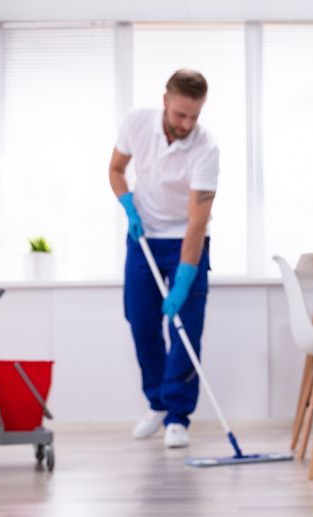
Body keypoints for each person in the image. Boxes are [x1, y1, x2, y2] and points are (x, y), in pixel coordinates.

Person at [109, 69, 219, 448]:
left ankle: (177, 416)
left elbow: (196, 222)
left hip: (186, 240)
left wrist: (186, 277)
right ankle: (156, 402)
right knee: (140, 321)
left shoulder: (206, 149)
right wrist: (128, 204)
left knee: (185, 327)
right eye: (180, 115)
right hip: (144, 236)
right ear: (165, 101)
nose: (187, 123)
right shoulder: (137, 122)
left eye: (195, 115)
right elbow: (116, 169)